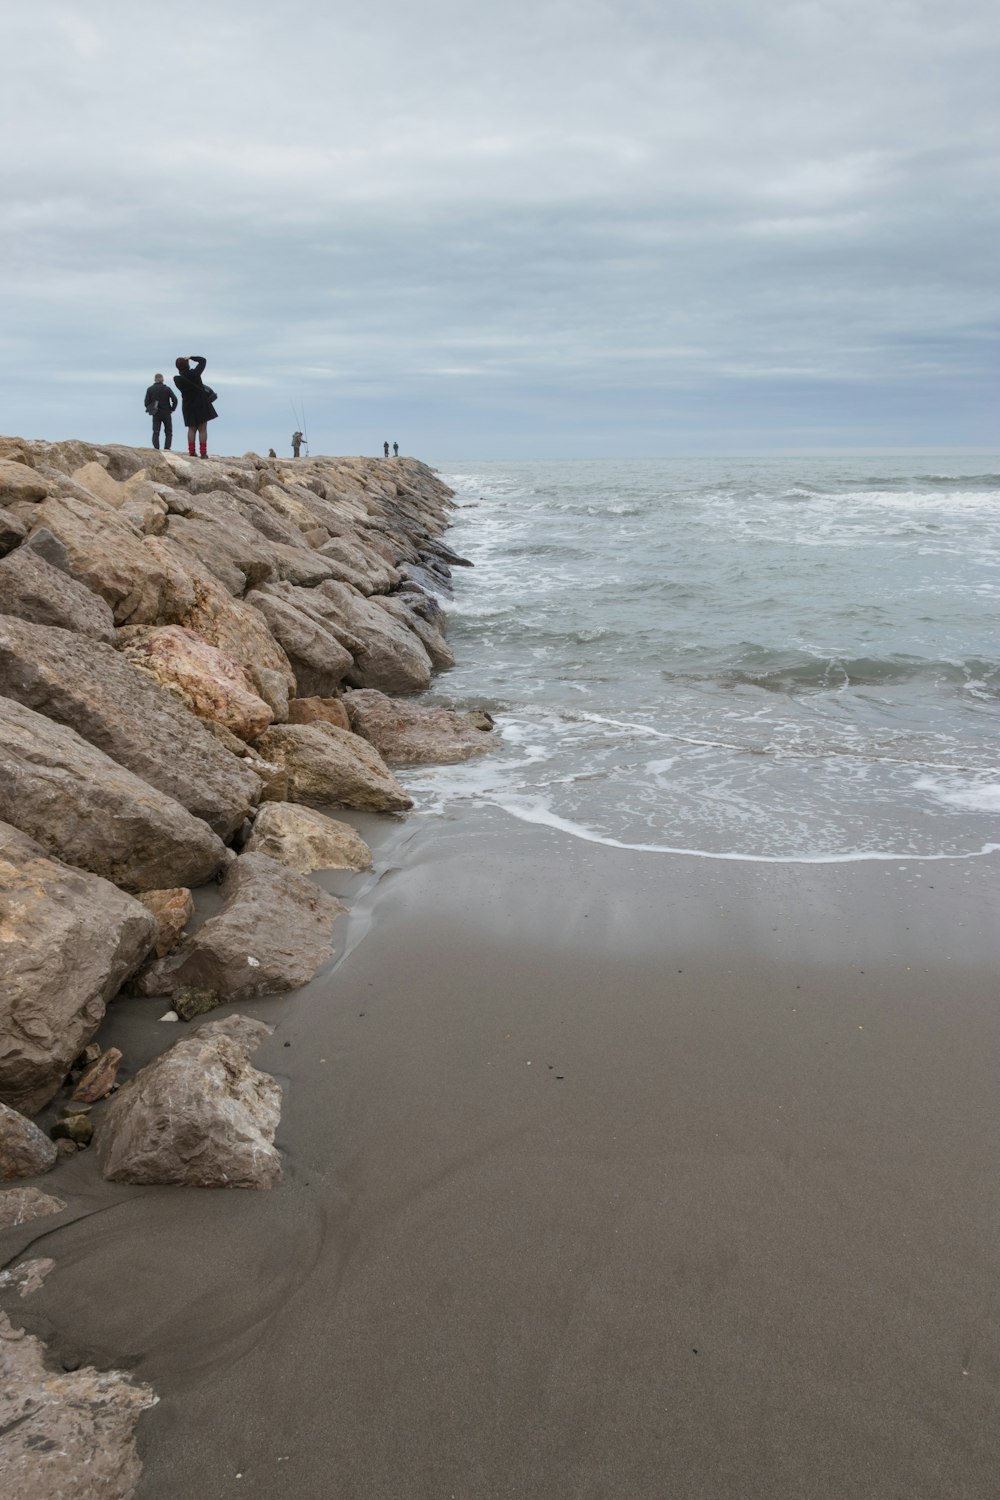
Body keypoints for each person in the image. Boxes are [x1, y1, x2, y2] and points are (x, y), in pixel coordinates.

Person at [173, 356, 217, 458]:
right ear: (187, 364)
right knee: (202, 429)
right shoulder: (195, 374)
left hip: (188, 405)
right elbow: (203, 360)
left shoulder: (177, 379)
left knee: (191, 429)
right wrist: (191, 357)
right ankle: (203, 453)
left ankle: (192, 451)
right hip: (201, 403)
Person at [144, 373, 177, 451]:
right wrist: (172, 409)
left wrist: (151, 409)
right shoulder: (167, 389)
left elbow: (146, 402)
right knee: (168, 431)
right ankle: (167, 448)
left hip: (156, 413)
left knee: (156, 431)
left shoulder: (150, 389)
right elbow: (175, 399)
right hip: (166, 412)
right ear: (162, 379)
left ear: (155, 379)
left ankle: (156, 448)